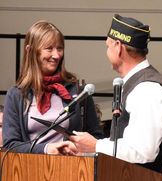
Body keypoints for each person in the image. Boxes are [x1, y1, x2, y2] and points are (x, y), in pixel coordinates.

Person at [59, 14, 162, 174]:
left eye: (108, 46)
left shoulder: (147, 89)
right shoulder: (138, 84)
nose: (107, 51)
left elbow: (143, 151)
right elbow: (126, 144)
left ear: (118, 46)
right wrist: (87, 149)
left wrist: (95, 145)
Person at [2, 21, 102, 154]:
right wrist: (46, 149)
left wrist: (80, 150)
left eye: (59, 48)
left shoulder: (79, 91)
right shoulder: (16, 95)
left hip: (73, 170)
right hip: (29, 171)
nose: (56, 55)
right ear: (30, 51)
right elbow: (10, 145)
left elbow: (96, 139)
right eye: (49, 48)